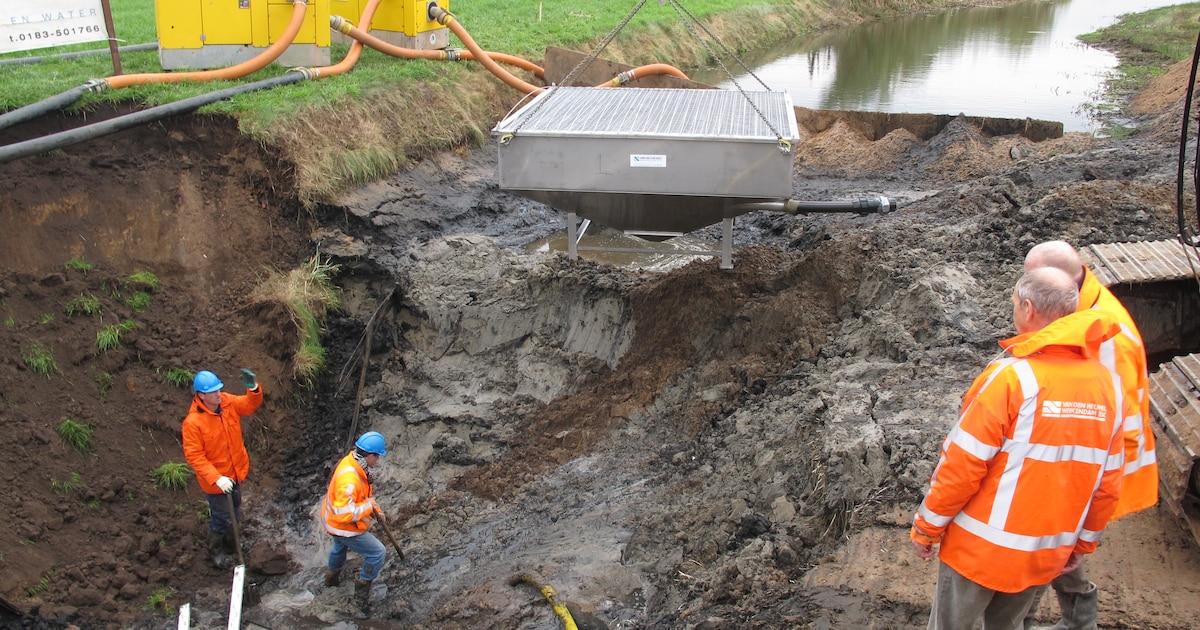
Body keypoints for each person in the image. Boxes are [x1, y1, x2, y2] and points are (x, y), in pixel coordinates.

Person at [910, 267, 1127, 630]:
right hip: (1043, 552)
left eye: (1014, 304)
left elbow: (962, 467)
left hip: (978, 552)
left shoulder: (1012, 378)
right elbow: (1108, 483)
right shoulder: (1109, 388)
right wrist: (1082, 544)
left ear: (1027, 309)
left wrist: (927, 526)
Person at [1022, 240, 1159, 630]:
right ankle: (1078, 620)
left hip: (1088, 468)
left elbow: (1118, 427)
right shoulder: (1079, 309)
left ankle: (1030, 620)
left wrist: (1081, 486)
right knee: (1059, 545)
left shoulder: (1108, 339)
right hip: (1075, 463)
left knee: (1045, 548)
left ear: (1064, 283)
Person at [181, 368, 263, 568]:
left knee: (235, 507)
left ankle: (230, 543)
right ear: (201, 395)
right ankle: (215, 550)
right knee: (222, 517)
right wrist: (217, 478)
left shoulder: (226, 403)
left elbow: (248, 405)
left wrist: (253, 389)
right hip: (216, 482)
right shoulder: (193, 423)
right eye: (213, 392)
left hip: (235, 472)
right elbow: (194, 456)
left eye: (219, 390)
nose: (218, 394)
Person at [323, 430, 389, 618]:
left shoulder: (354, 463)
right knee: (377, 552)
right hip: (342, 526)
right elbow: (345, 513)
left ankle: (331, 578)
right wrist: (369, 508)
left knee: (339, 547)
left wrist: (376, 508)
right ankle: (361, 596)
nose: (378, 461)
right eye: (377, 457)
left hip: (333, 522)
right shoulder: (350, 478)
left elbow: (364, 496)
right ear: (370, 456)